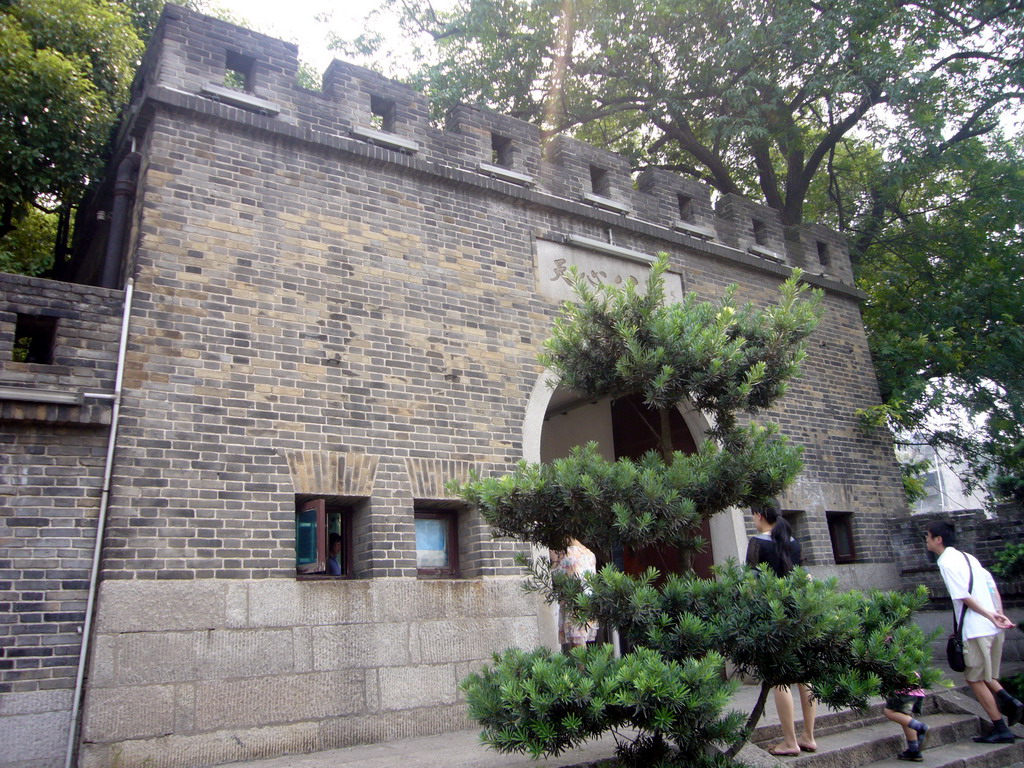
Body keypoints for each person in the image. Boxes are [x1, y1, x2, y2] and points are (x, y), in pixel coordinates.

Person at [925, 520, 1022, 743]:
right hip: (993, 628)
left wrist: (990, 615)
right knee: (987, 675)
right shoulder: (968, 558)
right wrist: (999, 613)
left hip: (976, 628)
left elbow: (962, 596)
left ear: (938, 539)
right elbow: (991, 586)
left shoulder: (946, 562)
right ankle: (1010, 702)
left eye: (928, 536)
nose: (926, 541)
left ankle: (1001, 727)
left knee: (975, 679)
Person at [746, 500, 817, 757]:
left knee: (780, 680)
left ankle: (789, 741)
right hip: (799, 614)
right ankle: (808, 736)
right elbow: (806, 578)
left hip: (773, 616)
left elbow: (750, 585)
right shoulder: (794, 542)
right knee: (804, 678)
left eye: (753, 514)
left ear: (760, 515)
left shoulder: (757, 543)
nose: (753, 519)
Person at [550, 539, 599, 649]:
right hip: (587, 602)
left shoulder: (569, 554)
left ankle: (583, 666)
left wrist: (555, 561)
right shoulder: (589, 553)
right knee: (580, 640)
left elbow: (558, 578)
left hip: (573, 603)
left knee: (577, 643)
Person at [883, 679, 929, 761]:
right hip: (916, 687)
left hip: (903, 688)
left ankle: (920, 727)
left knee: (889, 712)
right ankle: (914, 751)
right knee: (905, 717)